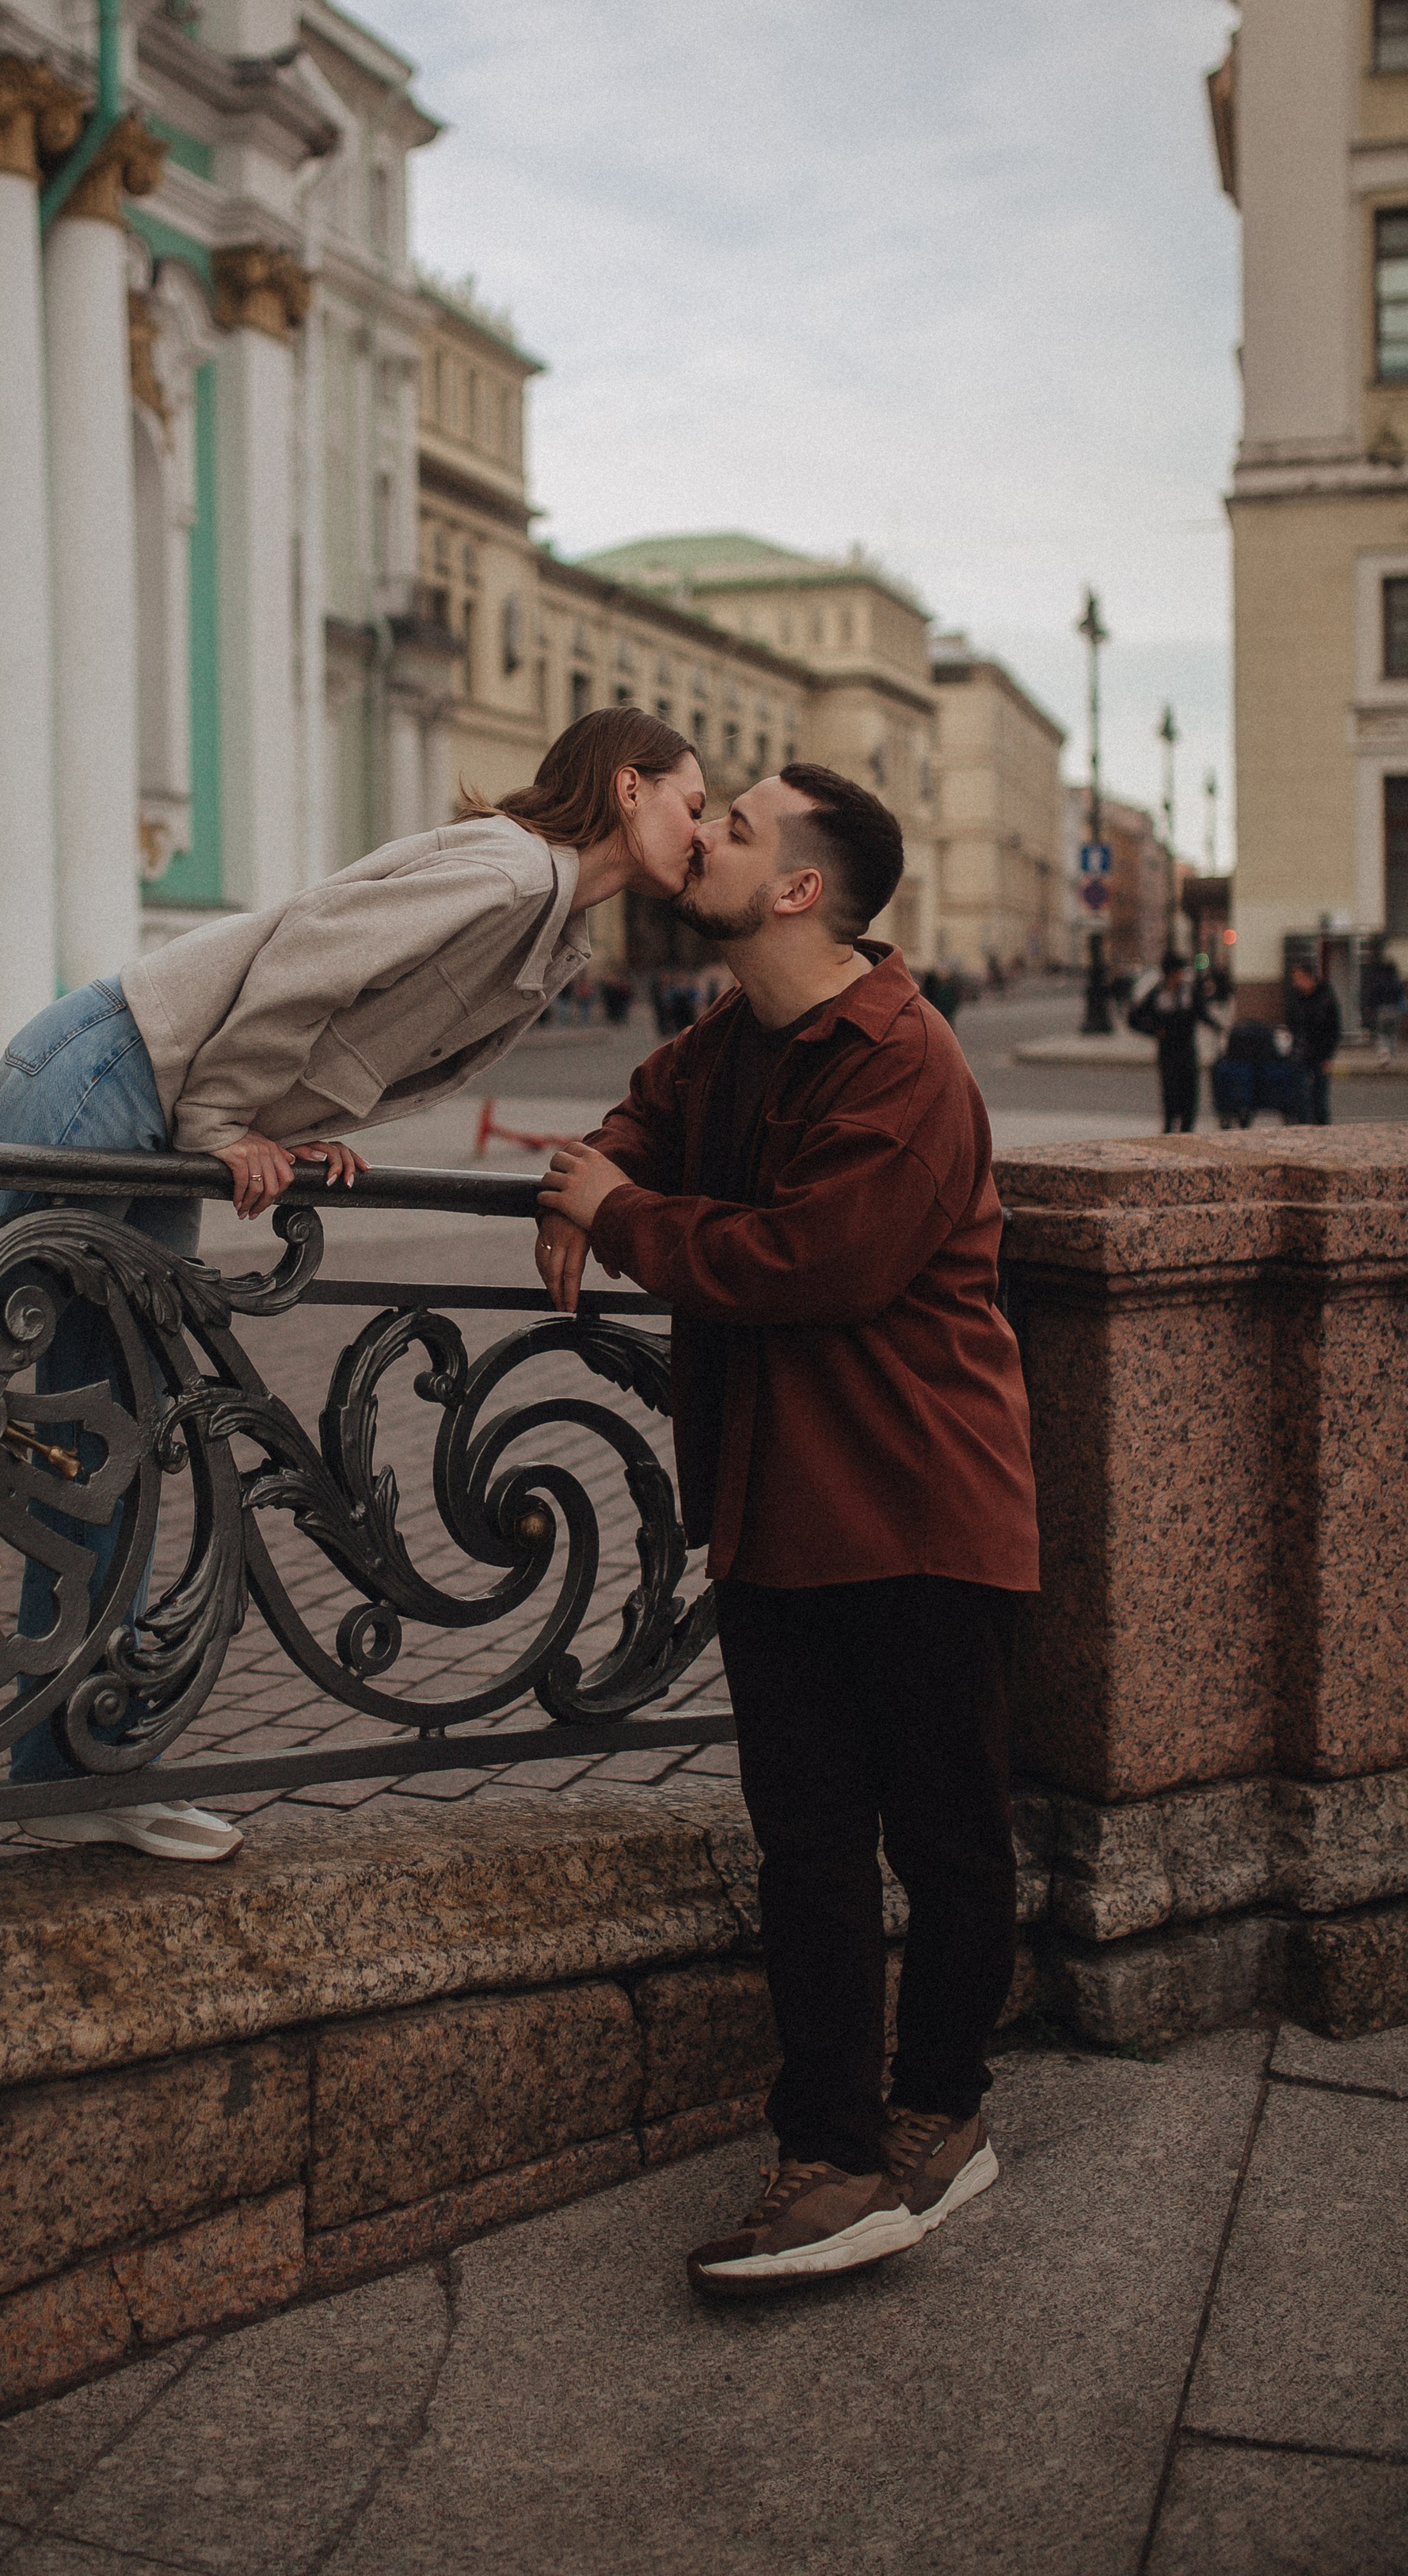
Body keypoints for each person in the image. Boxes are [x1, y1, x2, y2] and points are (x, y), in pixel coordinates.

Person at [0, 710, 709, 1861]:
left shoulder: (553, 922)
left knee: (109, 1442)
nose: (701, 829)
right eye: (693, 803)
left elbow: (357, 1004)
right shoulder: (510, 870)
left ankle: (78, 1770)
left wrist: (294, 1119)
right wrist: (229, 1115)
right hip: (114, 1073)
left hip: (151, 1096)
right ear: (628, 789)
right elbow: (314, 951)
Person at [533, 762, 1039, 2292]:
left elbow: (813, 1265)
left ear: (801, 889)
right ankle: (828, 2153)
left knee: (948, 1841)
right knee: (807, 1850)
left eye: (735, 828)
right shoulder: (728, 1038)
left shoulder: (905, 1060)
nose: (701, 836)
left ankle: (940, 2110)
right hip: (776, 1509)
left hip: (922, 1505)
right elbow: (643, 1118)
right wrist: (594, 1179)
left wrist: (616, 1214)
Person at [1129, 952, 1209, 1134]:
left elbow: (1202, 1013)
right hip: (1168, 1053)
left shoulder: (1188, 992)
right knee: (1171, 1096)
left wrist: (1218, 1027)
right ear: (1171, 973)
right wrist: (1154, 1031)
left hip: (1187, 1050)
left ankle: (1186, 1133)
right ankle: (1169, 1132)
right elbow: (1134, 1019)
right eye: (1179, 971)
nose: (1182, 976)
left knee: (1190, 1096)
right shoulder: (1157, 994)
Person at [1287, 960, 1342, 1125]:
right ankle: (1304, 1126)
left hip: (1321, 1053)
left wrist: (1329, 1056)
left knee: (1320, 1096)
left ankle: (1322, 1128)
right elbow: (1292, 1023)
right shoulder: (1296, 997)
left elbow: (1334, 1029)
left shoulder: (1325, 996)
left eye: (1298, 977)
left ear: (1308, 977)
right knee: (1301, 1095)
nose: (1295, 981)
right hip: (1301, 1053)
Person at [1370, 955, 1403, 1065]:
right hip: (1395, 1010)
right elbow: (1401, 997)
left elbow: (1374, 997)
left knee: (1381, 1034)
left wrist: (1371, 1009)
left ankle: (1384, 1056)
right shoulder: (1397, 982)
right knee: (1392, 1033)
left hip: (1382, 1010)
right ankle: (1393, 1056)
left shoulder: (1379, 981)